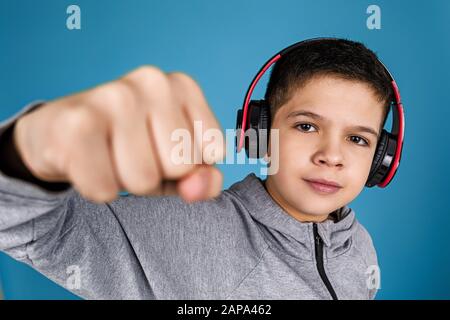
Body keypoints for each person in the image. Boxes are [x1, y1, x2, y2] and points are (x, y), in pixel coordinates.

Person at [0, 38, 397, 299]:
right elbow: (34, 231)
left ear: (380, 159)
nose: (332, 155)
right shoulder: (184, 225)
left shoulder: (358, 246)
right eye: (306, 126)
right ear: (258, 131)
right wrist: (33, 148)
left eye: (358, 139)